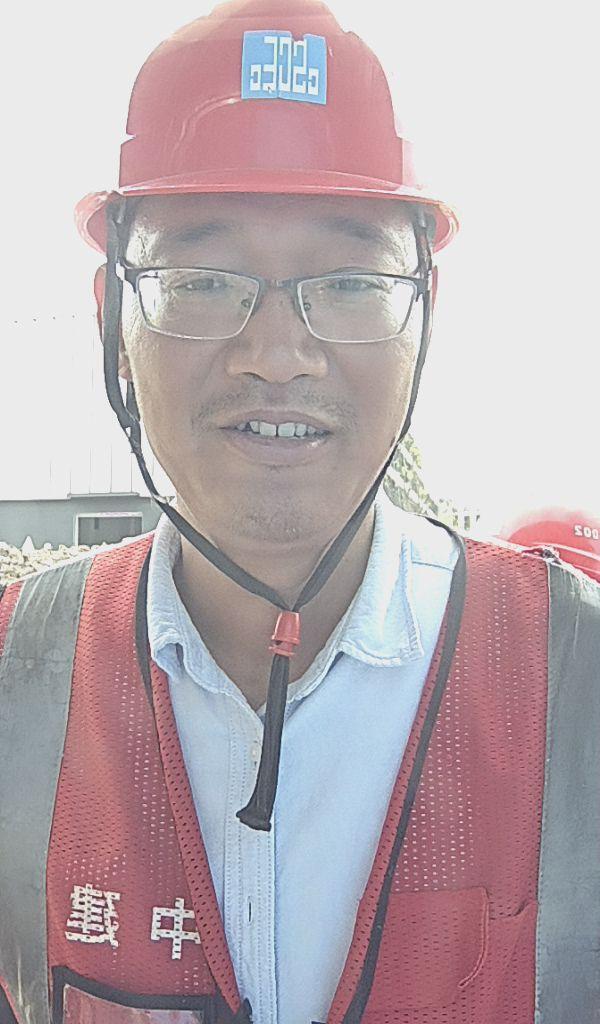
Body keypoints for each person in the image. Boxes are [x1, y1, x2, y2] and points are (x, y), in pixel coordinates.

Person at [0, 2, 598, 1022]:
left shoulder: (578, 681)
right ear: (112, 316)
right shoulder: (19, 678)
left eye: (351, 283)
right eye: (201, 280)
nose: (277, 356)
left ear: (426, 314)